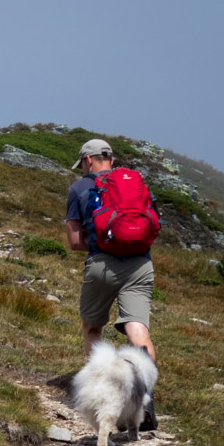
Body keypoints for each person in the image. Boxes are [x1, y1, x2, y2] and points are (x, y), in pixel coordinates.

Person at [65, 138, 157, 363]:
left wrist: (102, 241)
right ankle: (145, 391)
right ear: (111, 159)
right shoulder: (136, 185)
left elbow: (75, 241)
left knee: (92, 328)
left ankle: (105, 388)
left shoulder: (79, 188)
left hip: (102, 266)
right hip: (140, 264)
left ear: (88, 160)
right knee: (136, 328)